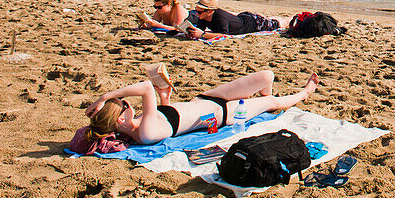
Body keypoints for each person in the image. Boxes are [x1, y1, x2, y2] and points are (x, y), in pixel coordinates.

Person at [79, 68, 319, 146]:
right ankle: (305, 92)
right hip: (226, 113)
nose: (128, 103)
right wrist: (105, 96)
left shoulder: (141, 123)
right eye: (124, 105)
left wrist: (166, 97)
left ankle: (264, 105)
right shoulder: (144, 133)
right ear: (120, 121)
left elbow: (170, 117)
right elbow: (144, 87)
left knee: (266, 76)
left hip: (207, 98)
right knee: (273, 102)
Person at [187, 0, 283, 40]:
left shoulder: (220, 17)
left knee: (278, 23)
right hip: (242, 17)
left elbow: (225, 35)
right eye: (196, 10)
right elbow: (199, 30)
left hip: (254, 23)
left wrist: (203, 35)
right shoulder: (203, 17)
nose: (197, 13)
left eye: (200, 11)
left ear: (210, 11)